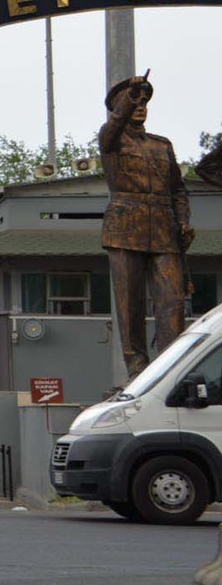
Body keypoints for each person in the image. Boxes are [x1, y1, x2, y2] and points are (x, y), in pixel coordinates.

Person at [99, 74, 193, 377]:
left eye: (144, 101)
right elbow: (113, 125)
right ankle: (138, 373)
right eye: (134, 100)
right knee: (131, 308)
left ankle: (169, 373)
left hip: (164, 232)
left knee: (172, 304)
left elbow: (178, 190)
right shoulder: (111, 139)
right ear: (120, 105)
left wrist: (184, 222)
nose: (140, 106)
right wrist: (130, 95)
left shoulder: (162, 146)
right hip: (125, 229)